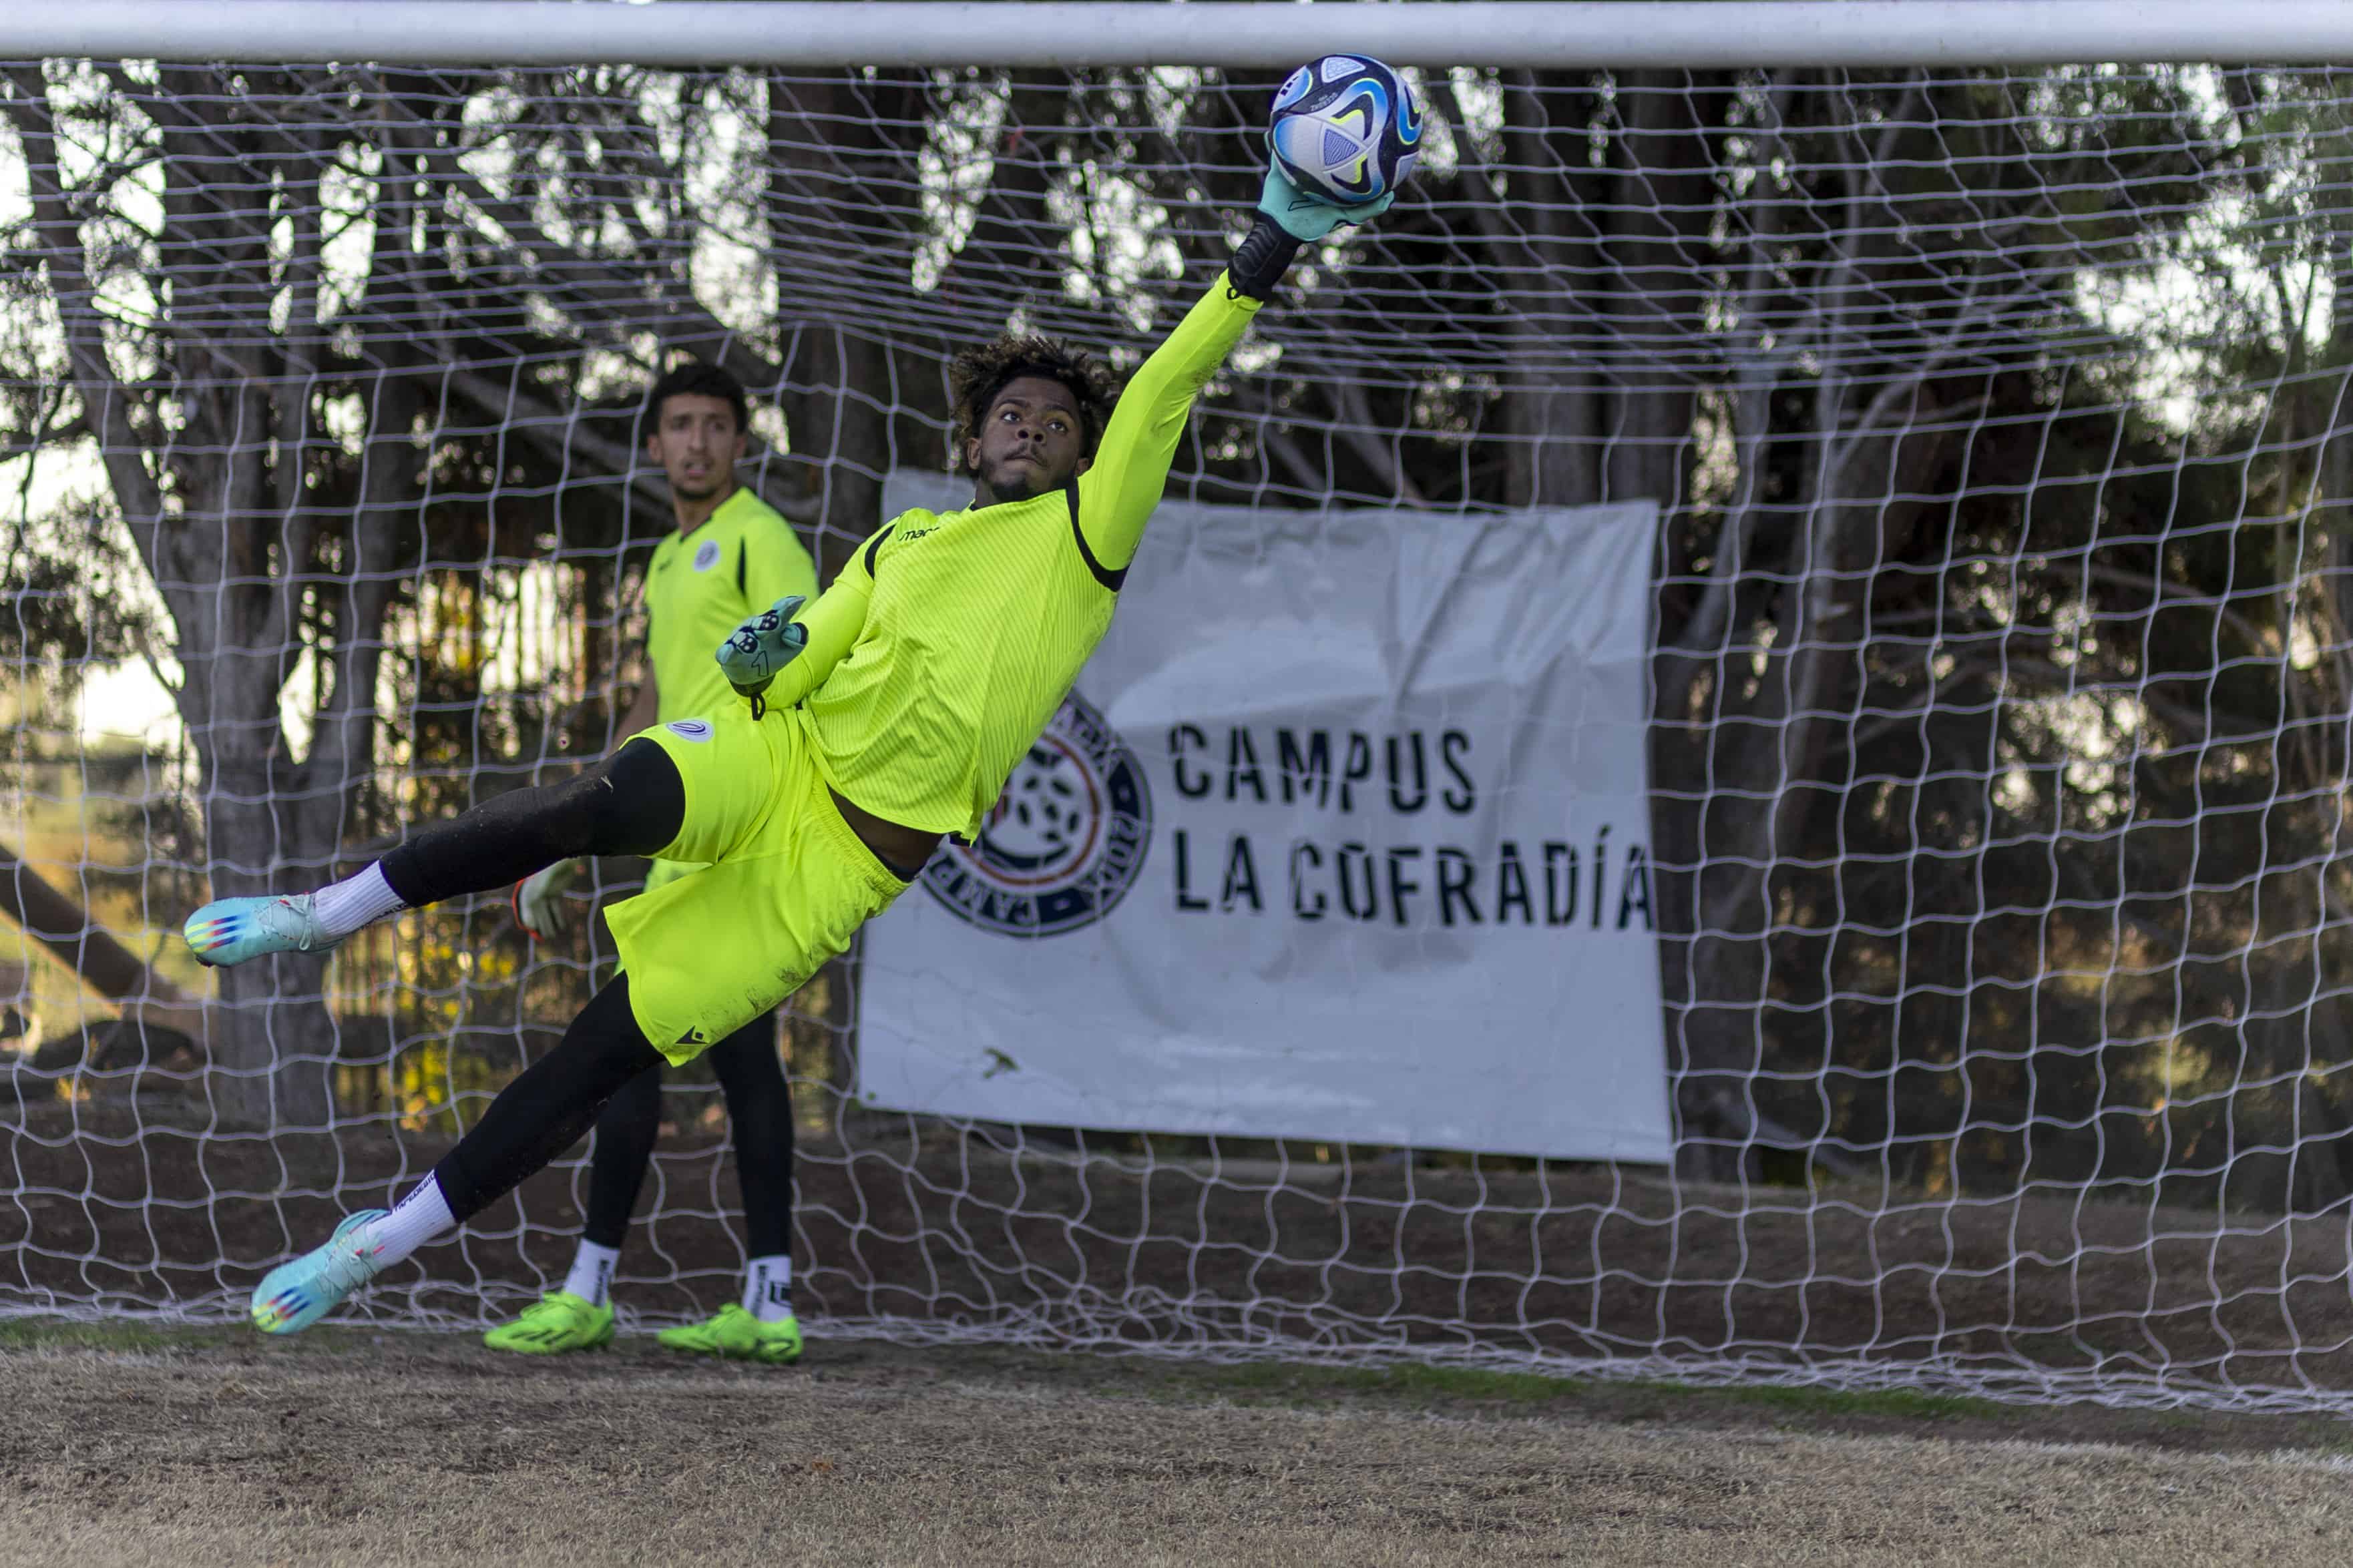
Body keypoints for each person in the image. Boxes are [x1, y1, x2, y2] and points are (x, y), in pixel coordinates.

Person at [183, 153, 1391, 1338]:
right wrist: (773, 657)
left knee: (604, 1052)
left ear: (1086, 455)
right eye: (1010, 414)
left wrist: (1265, 248)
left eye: (1060, 422)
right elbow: (813, 647)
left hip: (833, 865)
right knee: (583, 810)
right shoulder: (903, 540)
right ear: (974, 443)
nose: (1033, 427)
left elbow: (1168, 388)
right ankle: (322, 910)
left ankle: (370, 1246)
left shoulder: (1085, 542)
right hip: (775, 754)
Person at [489, 361, 819, 1364]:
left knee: (636, 1051)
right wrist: (575, 828)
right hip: (685, 843)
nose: (696, 442)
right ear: (653, 445)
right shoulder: (672, 562)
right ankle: (764, 1301)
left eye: (715, 425)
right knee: (735, 1057)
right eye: (679, 425)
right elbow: (653, 700)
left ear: (740, 443)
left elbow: (812, 643)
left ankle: (595, 1287)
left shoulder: (759, 537)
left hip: (738, 836)